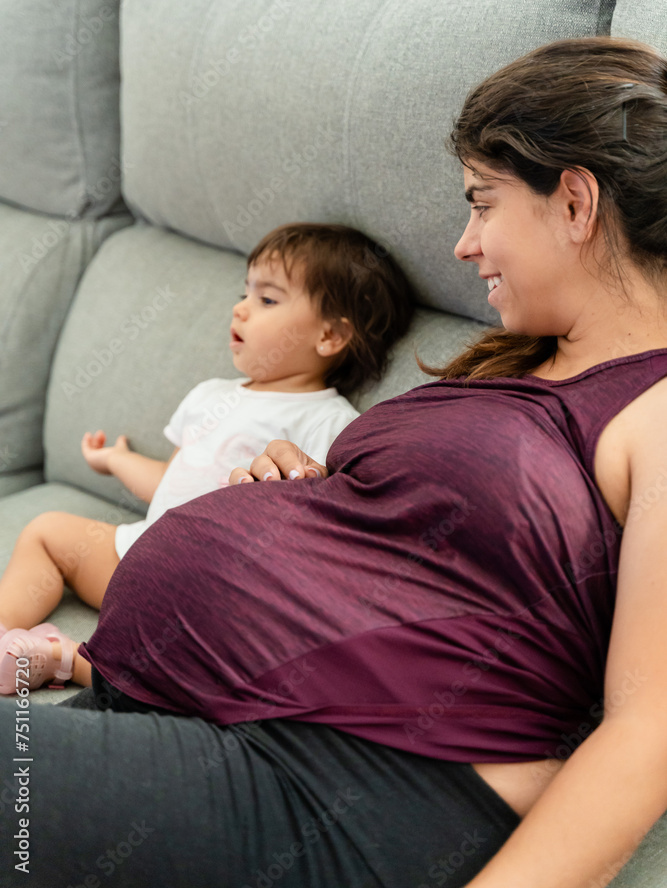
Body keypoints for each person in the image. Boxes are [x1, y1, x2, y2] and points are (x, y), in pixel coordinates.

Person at [1, 35, 667, 888]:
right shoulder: (519, 367)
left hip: (336, 781)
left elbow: (648, 728)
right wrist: (304, 494)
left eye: (482, 203)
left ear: (574, 202)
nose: (463, 246)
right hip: (194, 710)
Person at [0, 222, 415, 695]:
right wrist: (117, 460)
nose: (240, 307)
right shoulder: (210, 395)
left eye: (267, 299)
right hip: (134, 555)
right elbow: (172, 480)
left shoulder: (329, 422)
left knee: (187, 644)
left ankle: (65, 660)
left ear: (330, 335)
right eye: (245, 292)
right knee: (48, 531)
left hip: (206, 580)